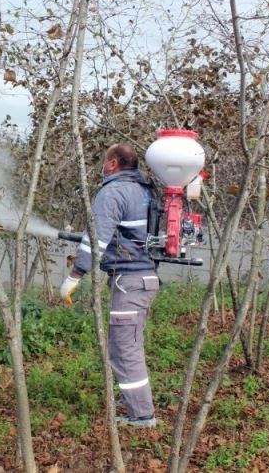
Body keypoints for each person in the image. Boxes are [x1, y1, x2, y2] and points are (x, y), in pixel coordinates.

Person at [59, 143, 160, 429]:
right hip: (142, 279)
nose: (103, 167)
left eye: (105, 162)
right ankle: (136, 406)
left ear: (114, 163)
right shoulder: (145, 191)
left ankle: (142, 416)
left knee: (124, 349)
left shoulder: (113, 191)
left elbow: (97, 238)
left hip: (129, 282)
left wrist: (75, 275)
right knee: (128, 345)